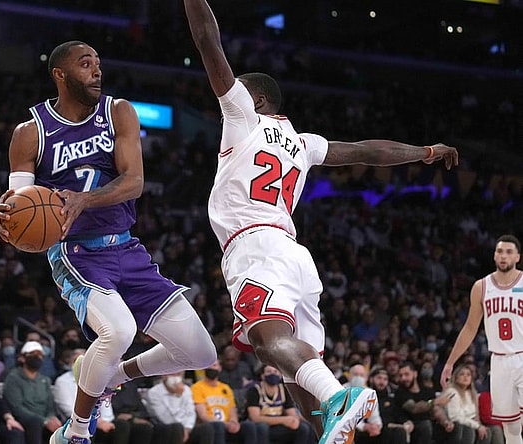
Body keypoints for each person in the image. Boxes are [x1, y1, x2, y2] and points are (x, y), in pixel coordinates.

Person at [181, 0, 459, 443]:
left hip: (254, 246)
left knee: (266, 340)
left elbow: (206, 39)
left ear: (254, 98)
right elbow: (368, 149)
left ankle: (338, 396)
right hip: (295, 256)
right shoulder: (304, 143)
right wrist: (424, 152)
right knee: (297, 374)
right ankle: (332, 420)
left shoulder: (242, 117)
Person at [0, 39, 217, 444]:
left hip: (126, 248)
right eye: (85, 64)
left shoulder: (118, 112)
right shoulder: (30, 132)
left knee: (200, 351)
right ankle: (75, 432)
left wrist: (85, 199)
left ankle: (112, 376)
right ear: (60, 74)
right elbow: (18, 207)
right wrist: (3, 215)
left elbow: (134, 182)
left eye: (97, 63)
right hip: (75, 252)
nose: (96, 71)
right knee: (119, 331)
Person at [440, 235, 522, 444]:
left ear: (518, 257)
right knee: (510, 426)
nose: (503, 256)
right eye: (499, 251)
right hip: (499, 361)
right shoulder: (481, 287)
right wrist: (450, 362)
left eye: (508, 252)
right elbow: (469, 328)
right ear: (494, 255)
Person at [2, 341, 62, 444]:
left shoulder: (45, 380)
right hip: (24, 420)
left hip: (45, 420)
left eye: (40, 355)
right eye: (33, 354)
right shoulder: (13, 378)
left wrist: (51, 417)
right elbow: (16, 407)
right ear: (22, 358)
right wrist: (44, 421)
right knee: (35, 422)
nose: (37, 357)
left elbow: (50, 405)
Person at [191, 360, 258, 444]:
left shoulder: (226, 388)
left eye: (214, 365)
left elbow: (232, 410)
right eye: (208, 366)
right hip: (211, 426)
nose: (211, 368)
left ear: (220, 368)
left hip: (227, 425)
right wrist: (224, 424)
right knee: (219, 426)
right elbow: (202, 415)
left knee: (249, 426)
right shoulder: (196, 387)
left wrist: (233, 422)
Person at [245, 364, 316, 444]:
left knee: (304, 427)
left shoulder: (284, 390)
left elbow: (292, 414)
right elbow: (255, 418)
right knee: (262, 427)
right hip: (262, 426)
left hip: (279, 426)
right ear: (262, 375)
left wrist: (294, 420)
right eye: (269, 371)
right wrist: (283, 420)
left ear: (280, 375)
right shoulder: (255, 390)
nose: (273, 374)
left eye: (275, 371)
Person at [145, 371, 215, 444]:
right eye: (172, 374)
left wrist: (187, 429)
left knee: (206, 429)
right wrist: (176, 396)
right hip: (164, 429)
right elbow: (164, 417)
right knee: (176, 428)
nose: (176, 377)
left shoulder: (186, 390)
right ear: (164, 376)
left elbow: (190, 413)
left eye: (178, 374)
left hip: (186, 428)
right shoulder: (154, 392)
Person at [438, 364, 489, 444]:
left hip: (469, 423)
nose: (465, 377)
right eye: (462, 374)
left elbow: (475, 416)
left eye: (468, 375)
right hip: (454, 425)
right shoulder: (451, 392)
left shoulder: (471, 393)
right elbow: (455, 416)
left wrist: (479, 425)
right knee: (469, 430)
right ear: (456, 377)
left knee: (489, 432)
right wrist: (477, 426)